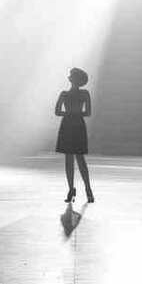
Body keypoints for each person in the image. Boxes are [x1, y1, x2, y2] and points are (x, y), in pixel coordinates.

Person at [55, 67, 94, 203]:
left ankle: (86, 188)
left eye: (72, 75)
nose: (70, 77)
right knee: (71, 158)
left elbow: (88, 112)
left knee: (77, 157)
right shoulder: (67, 94)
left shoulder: (79, 94)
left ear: (75, 79)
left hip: (73, 125)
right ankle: (74, 189)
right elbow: (57, 111)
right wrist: (75, 113)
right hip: (73, 124)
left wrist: (69, 113)